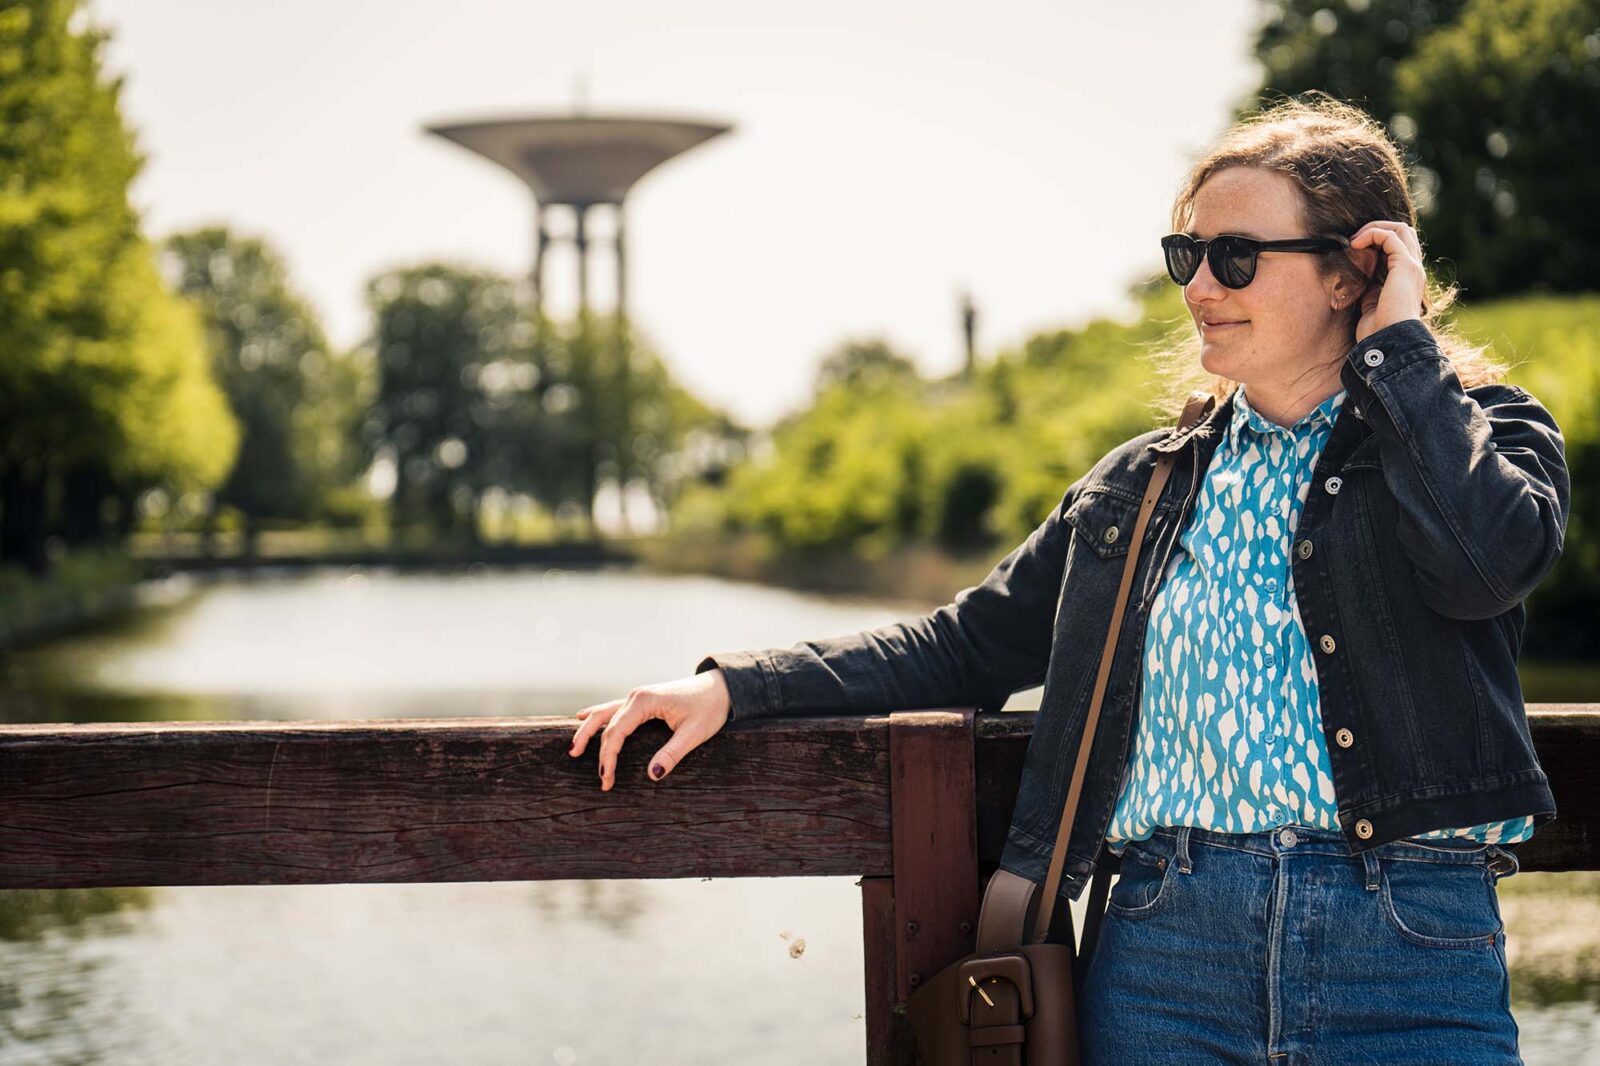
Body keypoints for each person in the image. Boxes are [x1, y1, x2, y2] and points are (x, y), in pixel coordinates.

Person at [566, 93, 1569, 1064]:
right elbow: (965, 645)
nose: (1198, 290)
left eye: (1235, 258)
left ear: (1356, 271)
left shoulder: (1489, 436)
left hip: (1406, 950)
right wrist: (739, 684)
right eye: (1189, 257)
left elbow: (1484, 565)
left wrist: (1399, 347)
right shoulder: (1141, 485)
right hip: (1165, 955)